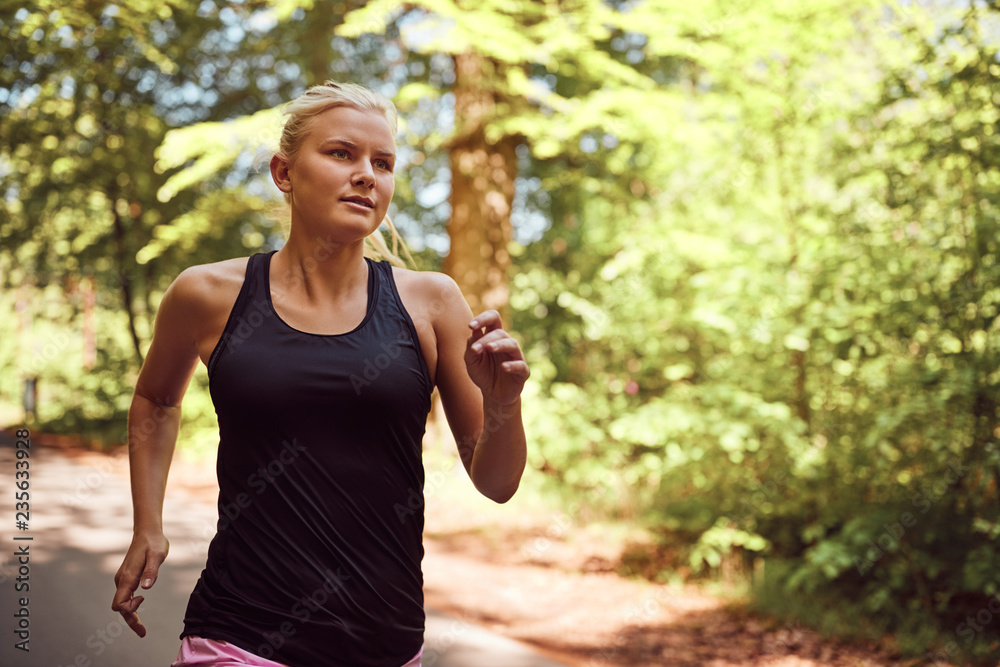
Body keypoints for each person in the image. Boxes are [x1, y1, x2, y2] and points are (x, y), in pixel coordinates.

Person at [110, 81, 529, 667]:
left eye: (382, 163)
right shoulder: (206, 294)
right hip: (238, 634)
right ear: (284, 173)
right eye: (341, 154)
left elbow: (497, 481)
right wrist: (147, 524)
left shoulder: (433, 303)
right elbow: (156, 399)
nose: (367, 175)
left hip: (386, 640)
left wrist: (505, 403)